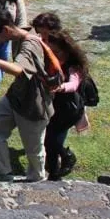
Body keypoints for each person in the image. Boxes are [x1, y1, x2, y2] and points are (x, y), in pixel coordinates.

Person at [0, 11, 58, 182]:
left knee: (33, 150)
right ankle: (1, 174)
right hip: (15, 97)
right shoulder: (19, 35)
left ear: (6, 30)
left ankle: (37, 180)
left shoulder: (30, 44)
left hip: (34, 105)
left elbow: (18, 69)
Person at [38, 20, 88, 180]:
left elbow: (73, 84)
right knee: (50, 140)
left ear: (67, 51)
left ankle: (63, 161)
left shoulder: (74, 66)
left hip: (68, 111)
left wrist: (61, 87)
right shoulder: (49, 61)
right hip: (55, 108)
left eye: (58, 53)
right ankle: (54, 171)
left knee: (51, 140)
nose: (55, 56)